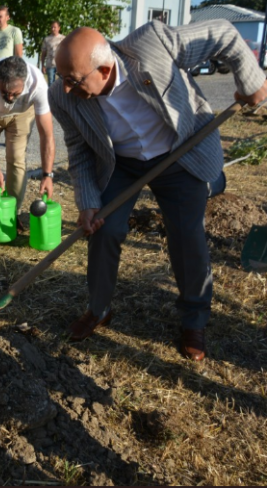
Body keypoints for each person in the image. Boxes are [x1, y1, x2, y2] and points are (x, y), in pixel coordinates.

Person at [49, 21, 267, 361]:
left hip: (179, 154)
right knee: (105, 231)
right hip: (122, 163)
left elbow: (223, 33)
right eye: (61, 77)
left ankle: (194, 319)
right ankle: (99, 308)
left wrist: (250, 81)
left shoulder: (152, 44)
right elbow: (78, 149)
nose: (64, 89)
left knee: (185, 236)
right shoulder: (62, 96)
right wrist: (88, 202)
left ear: (105, 69)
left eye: (73, 80)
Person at [0, 57, 55, 218]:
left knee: (16, 158)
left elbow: (47, 134)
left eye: (14, 93)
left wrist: (47, 175)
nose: (9, 98)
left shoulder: (38, 85)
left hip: (21, 114)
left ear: (24, 82)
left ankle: (12, 214)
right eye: (4, 92)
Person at [39, 21, 65, 85]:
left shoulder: (63, 38)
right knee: (51, 83)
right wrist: (43, 65)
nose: (53, 29)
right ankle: (51, 95)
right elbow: (43, 53)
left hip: (61, 64)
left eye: (55, 27)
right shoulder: (47, 39)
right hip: (50, 64)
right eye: (52, 27)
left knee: (62, 83)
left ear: (59, 28)